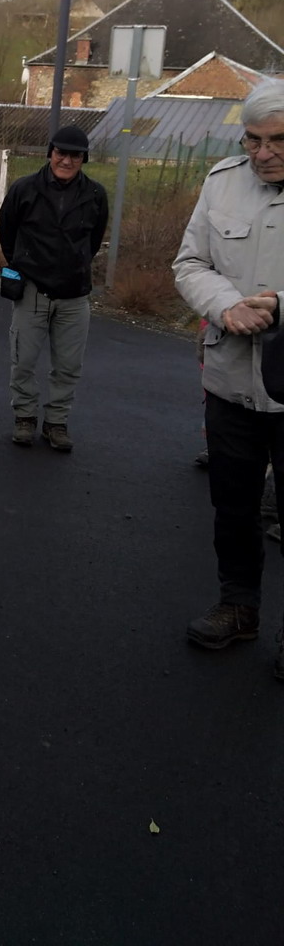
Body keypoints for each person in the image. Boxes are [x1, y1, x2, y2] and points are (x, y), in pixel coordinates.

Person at [173, 78, 284, 679]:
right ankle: (238, 606)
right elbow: (190, 263)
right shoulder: (221, 182)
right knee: (233, 507)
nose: (263, 153)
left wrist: (279, 307)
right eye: (253, 140)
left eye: (278, 140)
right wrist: (226, 306)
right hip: (231, 382)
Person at [0, 125, 108, 452]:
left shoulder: (96, 194)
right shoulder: (25, 189)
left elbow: (94, 240)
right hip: (32, 290)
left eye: (75, 155)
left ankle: (56, 423)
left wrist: (75, 265)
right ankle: (25, 417)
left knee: (69, 366)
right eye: (61, 152)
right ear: (50, 153)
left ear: (84, 159)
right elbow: (7, 229)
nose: (67, 160)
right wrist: (23, 263)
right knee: (23, 360)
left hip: (75, 295)